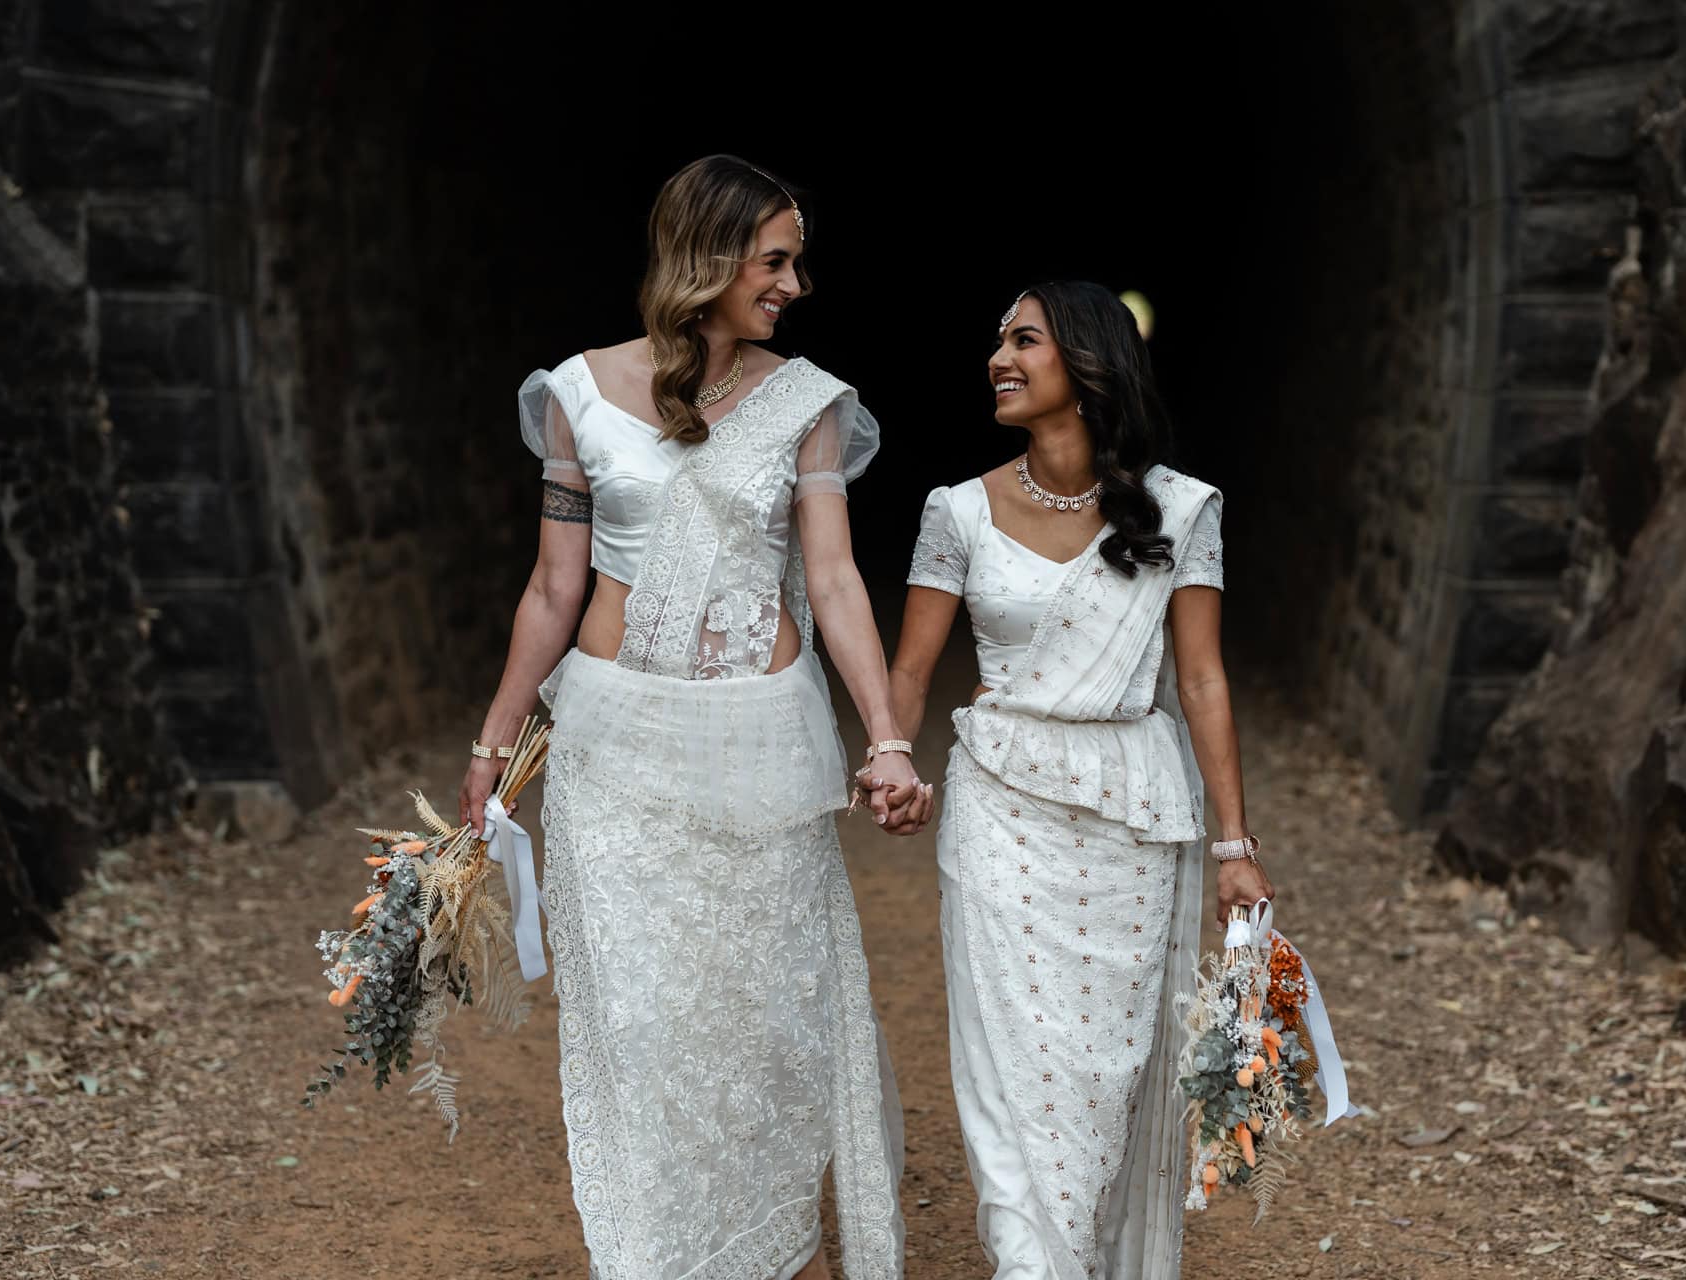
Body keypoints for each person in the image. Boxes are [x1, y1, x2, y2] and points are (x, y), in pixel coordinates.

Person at [460, 155, 913, 1280]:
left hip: (762, 750)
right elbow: (553, 589)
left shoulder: (808, 403)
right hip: (617, 753)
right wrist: (493, 743)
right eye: (775, 259)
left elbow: (837, 580)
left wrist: (889, 733)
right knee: (649, 1028)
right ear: (707, 259)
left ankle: (765, 1246)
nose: (794, 283)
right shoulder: (572, 393)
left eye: (796, 260)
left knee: (763, 1034)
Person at [879, 281, 1271, 1278]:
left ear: (1089, 364)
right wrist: (891, 753)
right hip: (999, 801)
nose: (998, 358)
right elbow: (914, 668)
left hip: (1132, 813)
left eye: (1024, 339)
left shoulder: (1182, 509)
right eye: (998, 341)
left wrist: (1234, 847)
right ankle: (1028, 1261)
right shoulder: (956, 511)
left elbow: (1201, 678)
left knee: (1104, 1081)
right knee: (1010, 1068)